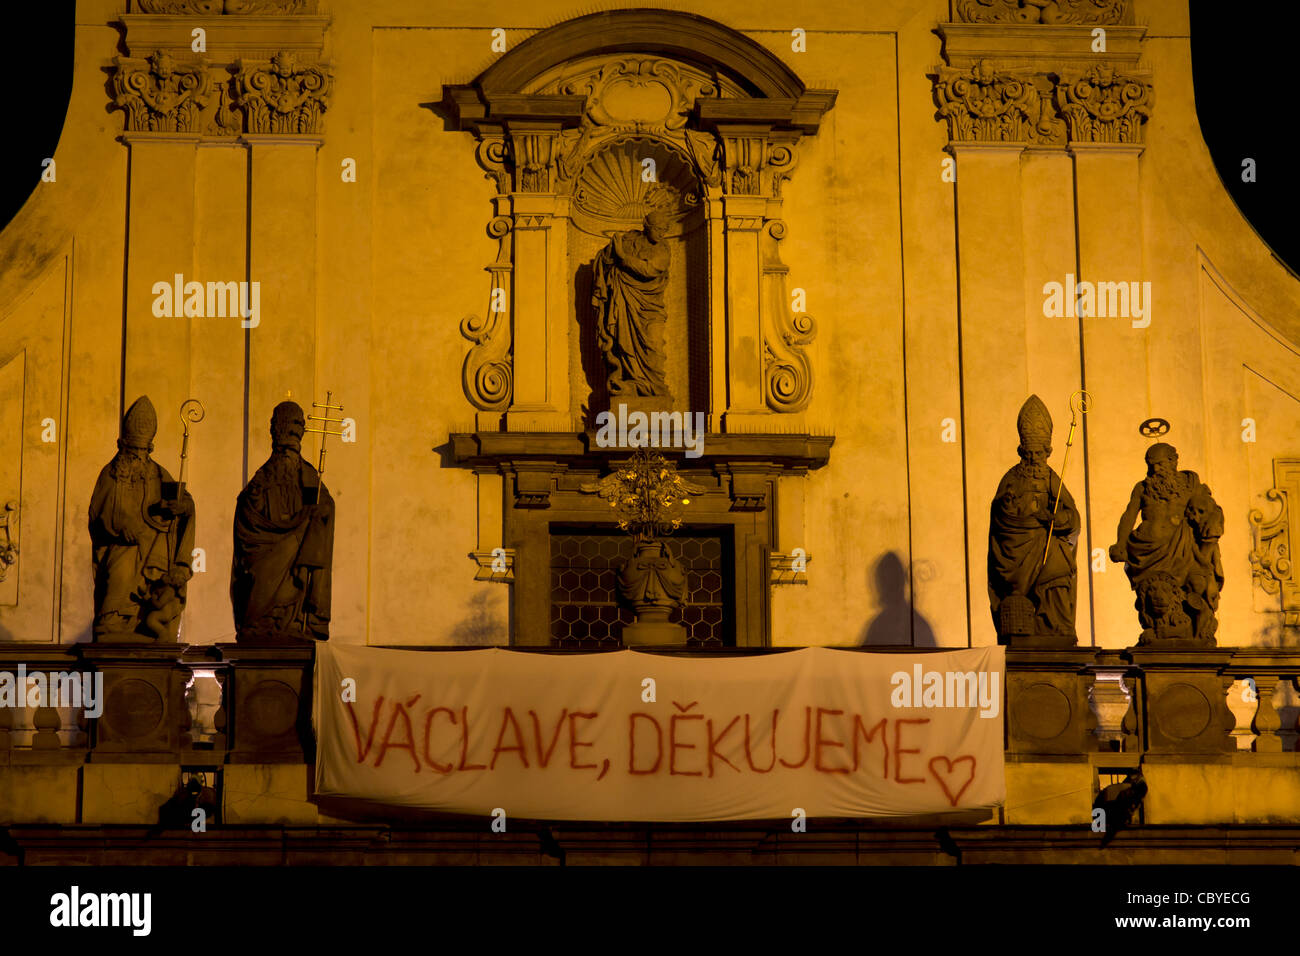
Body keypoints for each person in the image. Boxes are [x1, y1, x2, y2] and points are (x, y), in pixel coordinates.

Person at [89, 396, 194, 640]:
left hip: (155, 549)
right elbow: (97, 513)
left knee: (154, 588)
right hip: (122, 547)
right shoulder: (111, 474)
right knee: (118, 582)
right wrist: (118, 527)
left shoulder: (159, 473)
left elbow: (185, 503)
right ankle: (112, 622)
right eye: (133, 451)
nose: (138, 456)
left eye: (143, 451)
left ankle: (148, 626)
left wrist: (181, 506)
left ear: (150, 449)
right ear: (122, 446)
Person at [231, 401, 333, 642]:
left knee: (293, 583)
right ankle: (261, 622)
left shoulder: (308, 474)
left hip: (296, 552)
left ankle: (295, 620)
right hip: (264, 554)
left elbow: (326, 505)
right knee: (259, 592)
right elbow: (246, 510)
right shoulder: (262, 477)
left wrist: (317, 510)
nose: (288, 452)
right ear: (275, 432)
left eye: (296, 428)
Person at [987, 395, 1079, 641]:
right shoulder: (1012, 478)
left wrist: (1055, 519)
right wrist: (1013, 512)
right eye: (1030, 452)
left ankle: (1056, 626)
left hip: (1046, 542)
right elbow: (999, 516)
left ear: (1047, 451)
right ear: (1022, 450)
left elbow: (1072, 516)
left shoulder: (1050, 478)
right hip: (1018, 545)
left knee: (1059, 565)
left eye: (1040, 453)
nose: (1035, 458)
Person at [592, 208, 673, 397]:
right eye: (659, 229)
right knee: (623, 342)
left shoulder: (663, 248)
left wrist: (623, 257)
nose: (662, 234)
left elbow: (649, 269)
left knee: (654, 346)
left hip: (650, 306)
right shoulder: (629, 240)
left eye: (665, 230)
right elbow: (605, 260)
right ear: (648, 226)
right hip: (625, 300)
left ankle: (654, 388)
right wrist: (610, 251)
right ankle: (630, 383)